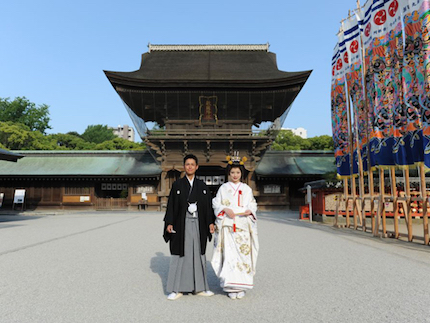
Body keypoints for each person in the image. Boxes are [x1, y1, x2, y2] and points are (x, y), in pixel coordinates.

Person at [163, 154, 215, 300]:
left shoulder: (203, 186)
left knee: (198, 253)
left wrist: (211, 222)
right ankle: (176, 288)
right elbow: (171, 205)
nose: (190, 166)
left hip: (199, 223)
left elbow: (208, 207)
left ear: (197, 167)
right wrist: (169, 222)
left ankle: (200, 287)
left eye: (193, 164)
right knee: (180, 253)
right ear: (184, 166)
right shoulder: (177, 185)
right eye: (187, 164)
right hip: (182, 222)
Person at [211, 156, 259, 300]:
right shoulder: (223, 188)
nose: (235, 175)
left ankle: (242, 285)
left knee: (243, 254)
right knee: (229, 255)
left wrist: (250, 210)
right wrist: (225, 209)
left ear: (241, 174)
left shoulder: (246, 189)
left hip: (243, 225)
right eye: (232, 173)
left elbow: (252, 203)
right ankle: (229, 286)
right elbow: (216, 203)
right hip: (227, 225)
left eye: (238, 172)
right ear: (229, 174)